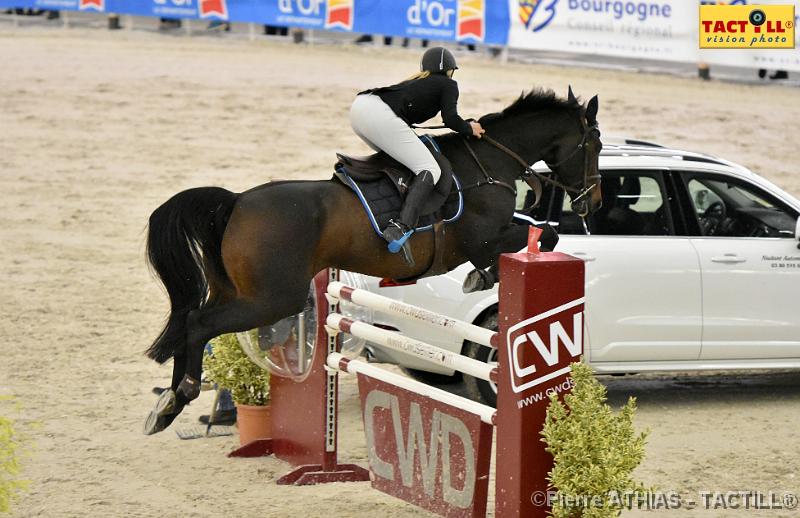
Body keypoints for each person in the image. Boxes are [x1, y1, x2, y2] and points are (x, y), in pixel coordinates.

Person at [349, 47, 484, 265]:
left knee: (399, 159)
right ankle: (401, 226)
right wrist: (470, 128)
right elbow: (451, 120)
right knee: (430, 169)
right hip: (379, 115)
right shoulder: (449, 84)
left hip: (360, 109)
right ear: (450, 70)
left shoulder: (417, 82)